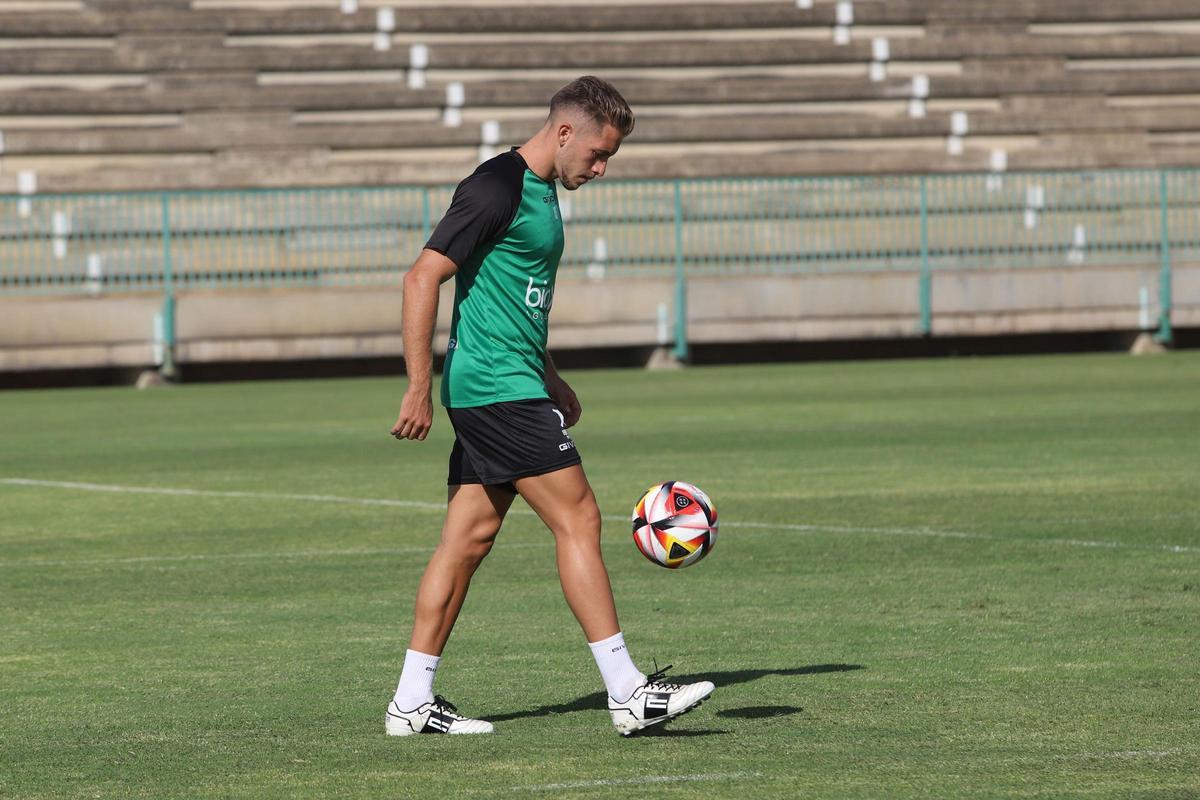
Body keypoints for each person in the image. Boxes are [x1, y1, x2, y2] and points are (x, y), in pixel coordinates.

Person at [386, 76, 713, 737]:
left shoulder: (538, 194)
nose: (599, 169)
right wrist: (419, 384)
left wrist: (551, 374)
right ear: (564, 132)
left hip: (513, 384)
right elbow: (423, 276)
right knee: (580, 517)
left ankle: (410, 702)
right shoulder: (495, 188)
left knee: (467, 540)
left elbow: (514, 300)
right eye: (597, 155)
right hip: (496, 391)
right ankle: (627, 693)